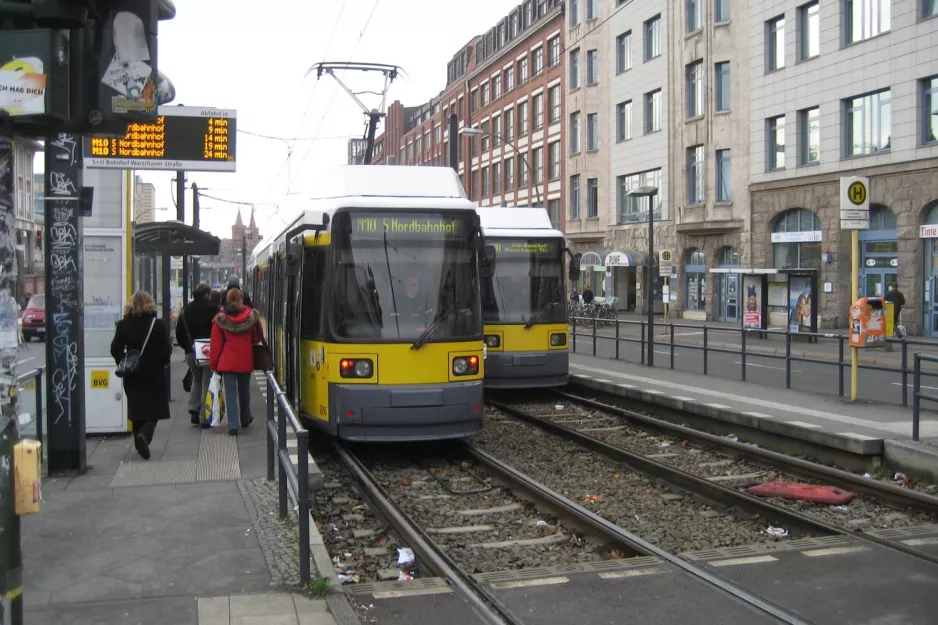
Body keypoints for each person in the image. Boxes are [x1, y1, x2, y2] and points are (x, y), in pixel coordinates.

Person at [110, 291, 172, 460]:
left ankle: (138, 437)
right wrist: (163, 362)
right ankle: (144, 436)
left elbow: (115, 348)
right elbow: (166, 349)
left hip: (132, 373)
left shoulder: (123, 325)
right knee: (154, 409)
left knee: (136, 406)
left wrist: (123, 362)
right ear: (149, 304)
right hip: (154, 372)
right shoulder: (157, 324)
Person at [209, 288, 262, 435]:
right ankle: (245, 418)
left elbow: (216, 345)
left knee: (230, 393)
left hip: (227, 362)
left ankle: (233, 425)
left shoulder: (220, 319)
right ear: (241, 299)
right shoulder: (251, 317)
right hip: (245, 360)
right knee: (244, 391)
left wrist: (214, 364)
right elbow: (257, 338)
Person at [175, 284, 219, 426]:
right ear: (207, 294)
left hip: (191, 350)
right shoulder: (213, 309)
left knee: (196, 379)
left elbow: (179, 334)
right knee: (207, 380)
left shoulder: (186, 310)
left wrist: (188, 347)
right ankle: (205, 416)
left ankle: (193, 408)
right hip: (208, 350)